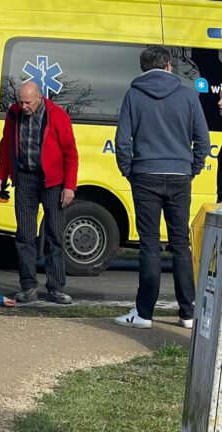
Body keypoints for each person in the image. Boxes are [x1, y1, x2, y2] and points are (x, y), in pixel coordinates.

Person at [114, 46, 210, 329]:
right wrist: (190, 169)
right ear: (169, 65)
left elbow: (123, 141)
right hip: (179, 175)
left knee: (149, 245)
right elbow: (201, 141)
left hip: (145, 175)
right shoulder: (188, 95)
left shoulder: (134, 95)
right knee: (181, 244)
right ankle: (188, 313)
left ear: (144, 67)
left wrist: (129, 171)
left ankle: (144, 314)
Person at [0, 81, 79, 304]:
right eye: (20, 101)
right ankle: (28, 286)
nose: (23, 106)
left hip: (52, 182)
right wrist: (1, 175)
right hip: (24, 179)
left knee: (55, 235)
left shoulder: (57, 115)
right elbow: (6, 146)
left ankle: (56, 287)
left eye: (28, 102)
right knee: (24, 234)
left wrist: (69, 185)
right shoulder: (14, 114)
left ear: (39, 98)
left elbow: (70, 152)